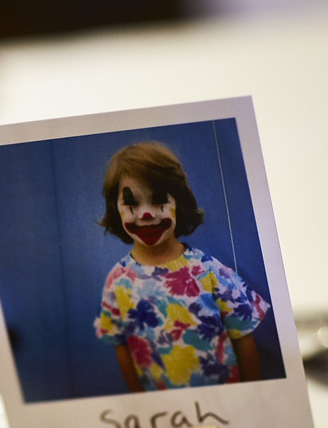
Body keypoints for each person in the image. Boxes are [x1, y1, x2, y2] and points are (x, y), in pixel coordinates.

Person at [94, 141, 269, 391]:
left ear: (180, 202)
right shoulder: (117, 281)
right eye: (132, 204)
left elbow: (243, 339)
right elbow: (121, 347)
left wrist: (254, 395)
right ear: (115, 209)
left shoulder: (209, 270)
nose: (145, 214)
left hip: (226, 403)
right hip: (166, 415)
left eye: (158, 201)